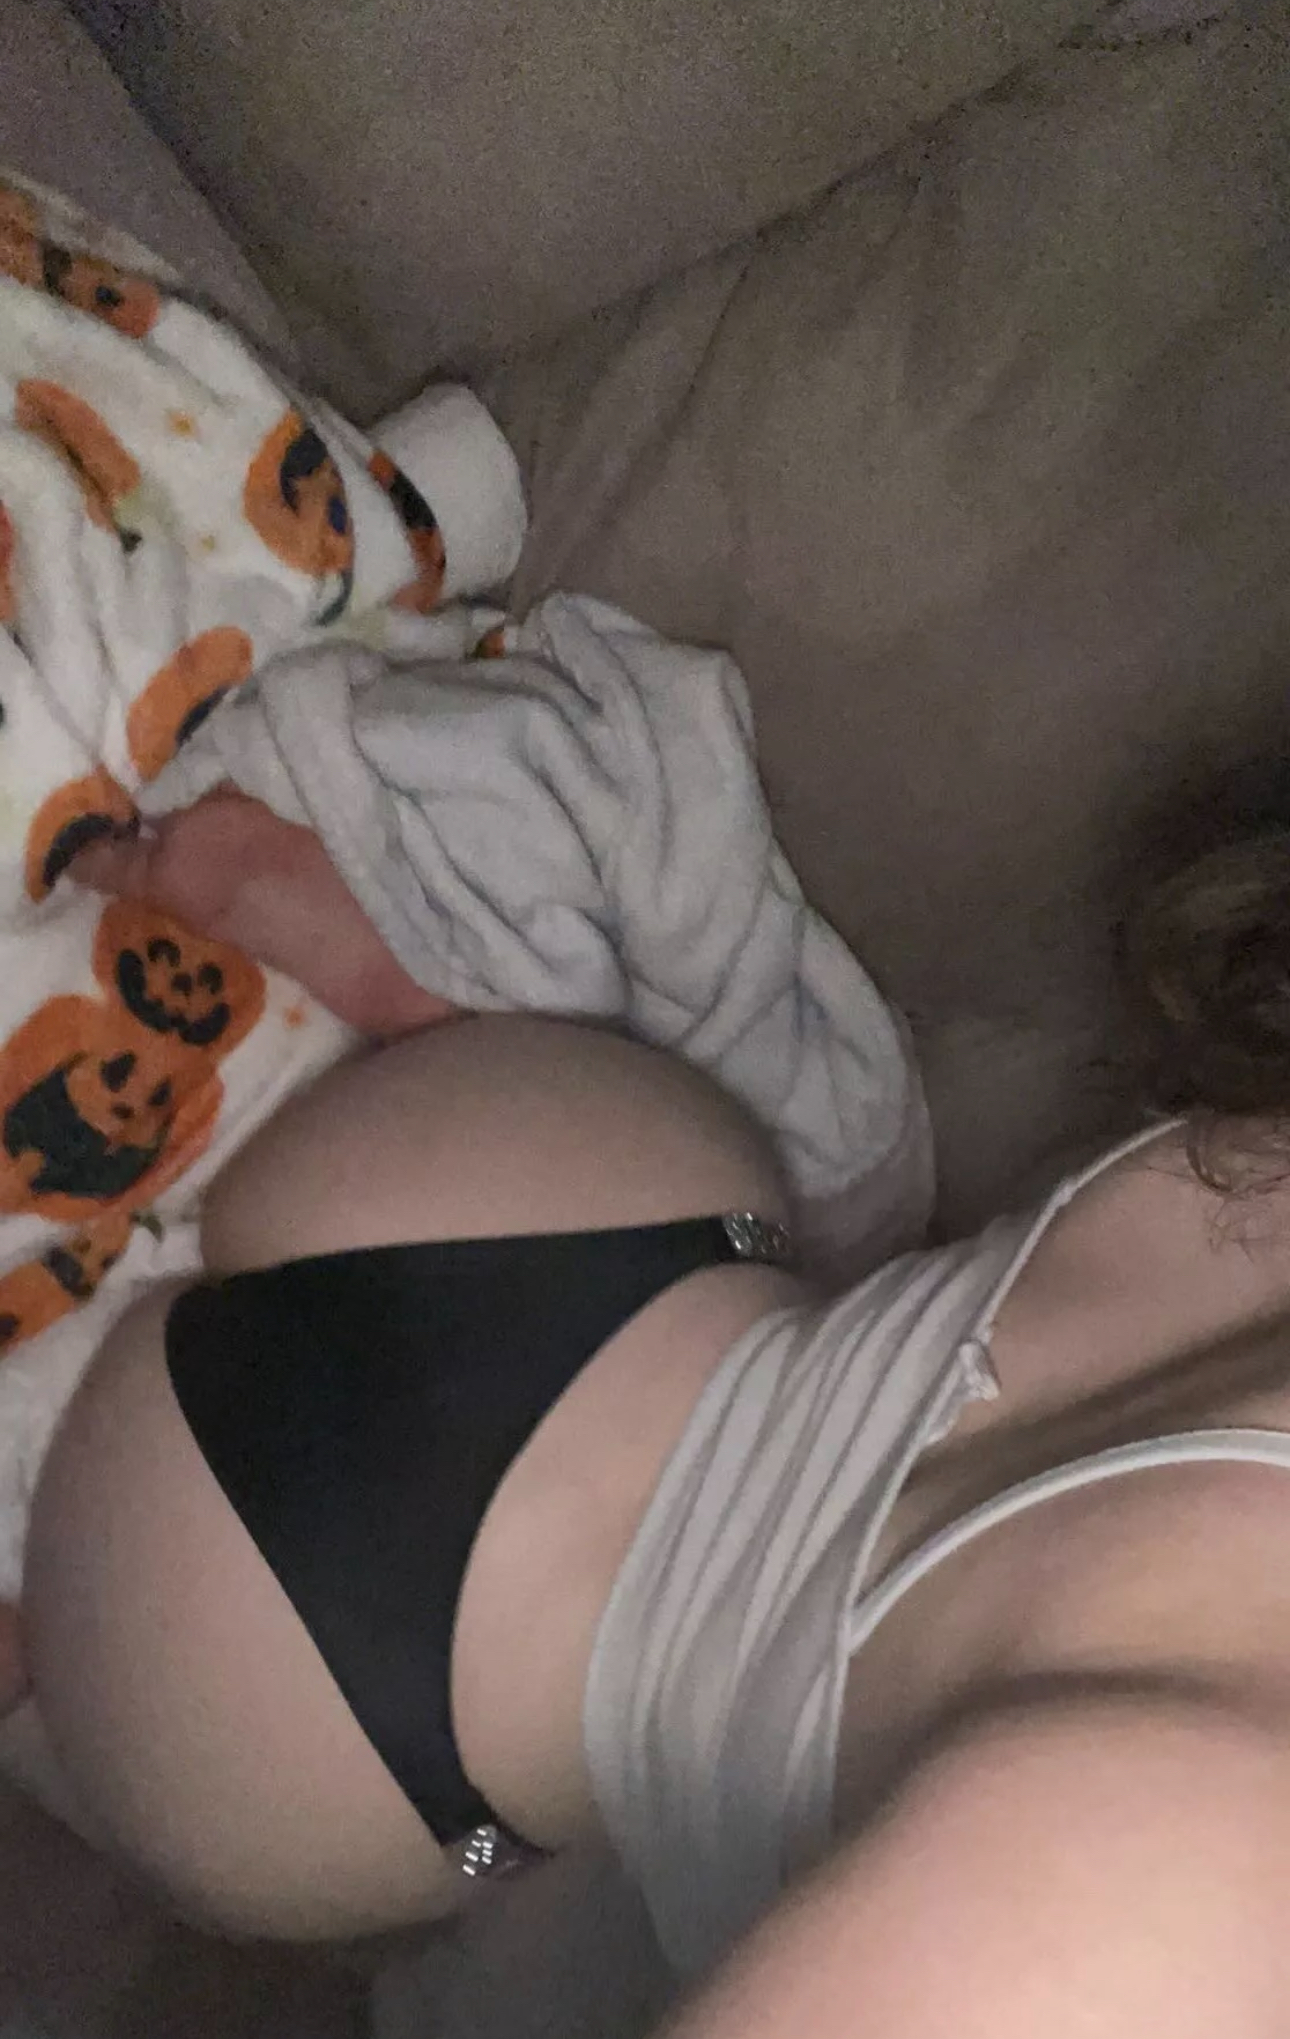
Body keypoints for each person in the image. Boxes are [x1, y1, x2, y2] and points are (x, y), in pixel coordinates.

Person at [9, 790, 1290, 2034]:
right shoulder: (1195, 1886)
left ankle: (415, 997)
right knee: (500, 1886)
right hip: (355, 1695)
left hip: (580, 1209)